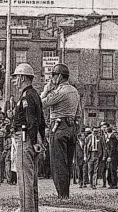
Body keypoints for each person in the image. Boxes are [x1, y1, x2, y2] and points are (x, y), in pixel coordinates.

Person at [41, 63, 82, 199]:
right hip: (71, 128)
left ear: (59, 76)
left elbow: (42, 103)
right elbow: (79, 114)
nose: (52, 78)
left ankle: (62, 195)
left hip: (58, 127)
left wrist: (47, 89)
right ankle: (66, 193)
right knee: (67, 163)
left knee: (58, 164)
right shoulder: (75, 91)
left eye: (53, 75)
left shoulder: (60, 91)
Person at [11, 63, 46, 212]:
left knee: (25, 181)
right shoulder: (35, 95)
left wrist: (32, 141)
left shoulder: (26, 96)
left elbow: (31, 121)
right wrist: (40, 141)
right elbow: (42, 122)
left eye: (16, 77)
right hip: (32, 139)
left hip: (25, 139)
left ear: (23, 78)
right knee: (32, 181)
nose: (14, 81)